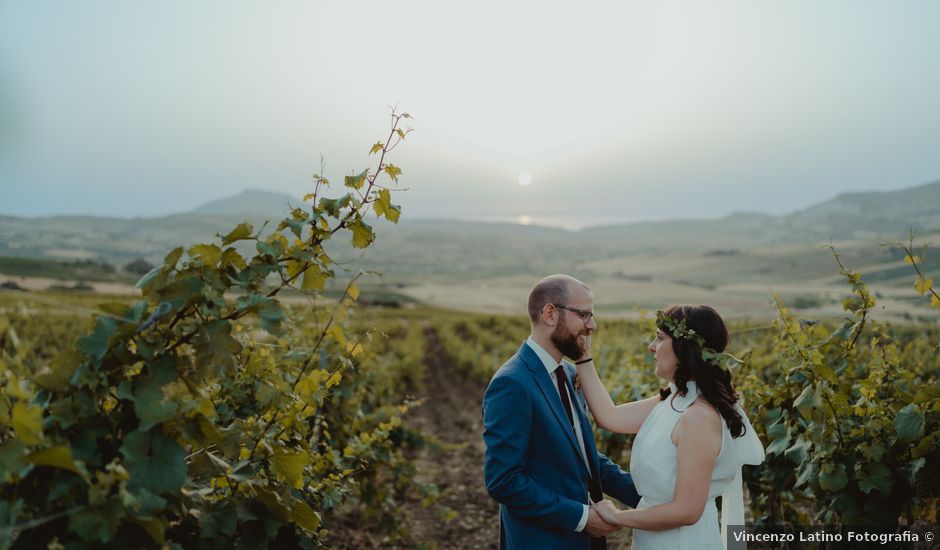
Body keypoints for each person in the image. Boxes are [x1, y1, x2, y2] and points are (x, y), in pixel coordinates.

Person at [576, 305, 765, 550]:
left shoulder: (698, 417)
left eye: (660, 338)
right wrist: (582, 356)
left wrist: (616, 517)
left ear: (684, 348)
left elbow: (686, 511)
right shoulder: (674, 400)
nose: (652, 346)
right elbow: (609, 417)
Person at [482, 274, 640, 550]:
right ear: (550, 314)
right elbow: (504, 481)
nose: (593, 325)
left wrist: (652, 497)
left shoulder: (567, 373)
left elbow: (585, 458)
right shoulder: (512, 383)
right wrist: (581, 518)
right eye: (584, 315)